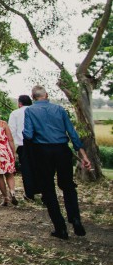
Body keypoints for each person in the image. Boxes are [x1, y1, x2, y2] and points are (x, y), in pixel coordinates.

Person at [23, 85, 92, 239]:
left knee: (48, 189)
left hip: (42, 152)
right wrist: (83, 156)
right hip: (62, 150)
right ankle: (75, 218)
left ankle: (60, 228)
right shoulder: (60, 110)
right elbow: (72, 133)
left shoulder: (30, 111)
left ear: (33, 97)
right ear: (46, 95)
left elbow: (28, 134)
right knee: (68, 185)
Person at [7, 94, 36, 200]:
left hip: (23, 145)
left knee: (27, 169)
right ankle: (44, 192)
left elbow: (12, 131)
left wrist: (12, 148)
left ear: (20, 103)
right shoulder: (35, 111)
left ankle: (29, 194)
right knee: (40, 168)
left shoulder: (15, 113)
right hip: (38, 144)